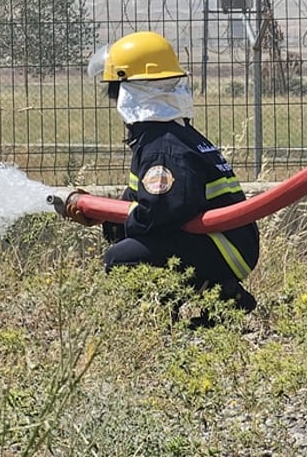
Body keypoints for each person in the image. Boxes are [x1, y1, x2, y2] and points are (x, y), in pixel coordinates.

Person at [62, 31, 260, 322]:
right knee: (120, 235)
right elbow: (141, 200)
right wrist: (105, 217)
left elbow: (161, 212)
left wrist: (126, 223)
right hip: (227, 242)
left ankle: (173, 316)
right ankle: (220, 292)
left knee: (122, 258)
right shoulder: (167, 134)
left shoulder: (162, 146)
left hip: (223, 248)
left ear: (129, 91)